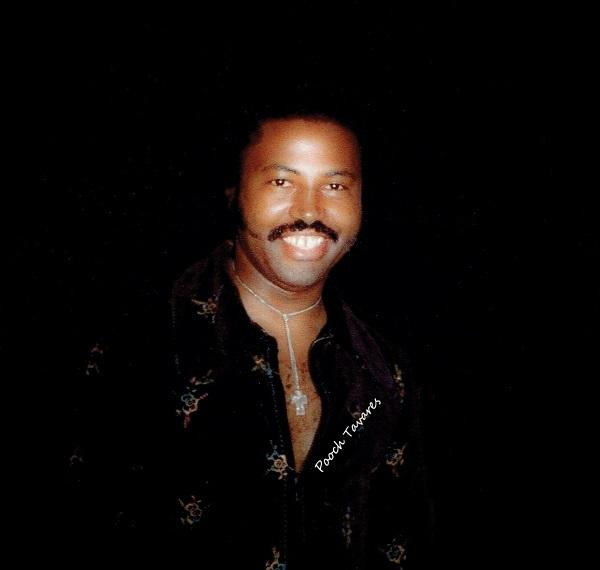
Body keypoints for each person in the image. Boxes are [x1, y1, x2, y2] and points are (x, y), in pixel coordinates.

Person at [65, 105, 433, 568]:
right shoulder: (138, 346)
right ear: (234, 192)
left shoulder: (384, 371)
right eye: (281, 181)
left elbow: (399, 539)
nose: (309, 211)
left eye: (335, 186)